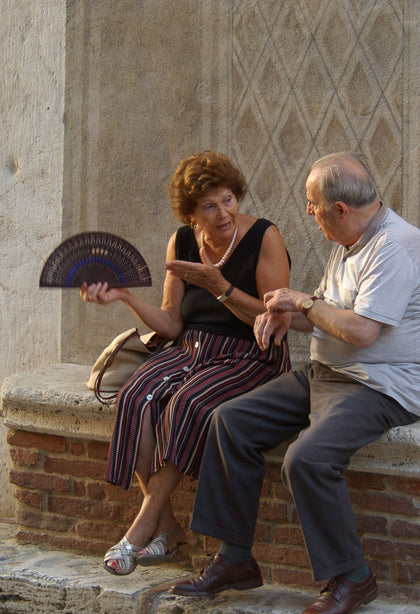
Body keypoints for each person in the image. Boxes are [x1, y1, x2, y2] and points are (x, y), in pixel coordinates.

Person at [169, 151, 420, 614]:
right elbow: (323, 316)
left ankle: (352, 577)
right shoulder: (349, 240)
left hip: (381, 385)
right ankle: (235, 558)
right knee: (229, 420)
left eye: (313, 205)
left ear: (340, 208)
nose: (309, 213)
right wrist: (281, 314)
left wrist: (303, 302)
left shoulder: (394, 246)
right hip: (327, 375)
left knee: (308, 458)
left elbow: (360, 332)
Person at [80, 150, 291, 575]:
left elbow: (276, 321)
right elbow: (173, 324)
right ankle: (169, 526)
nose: (222, 214)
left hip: (251, 353)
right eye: (208, 207)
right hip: (191, 348)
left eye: (227, 200)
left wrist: (219, 286)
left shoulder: (265, 237)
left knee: (188, 403)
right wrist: (125, 296)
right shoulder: (181, 241)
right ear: (191, 214)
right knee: (137, 396)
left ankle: (141, 528)